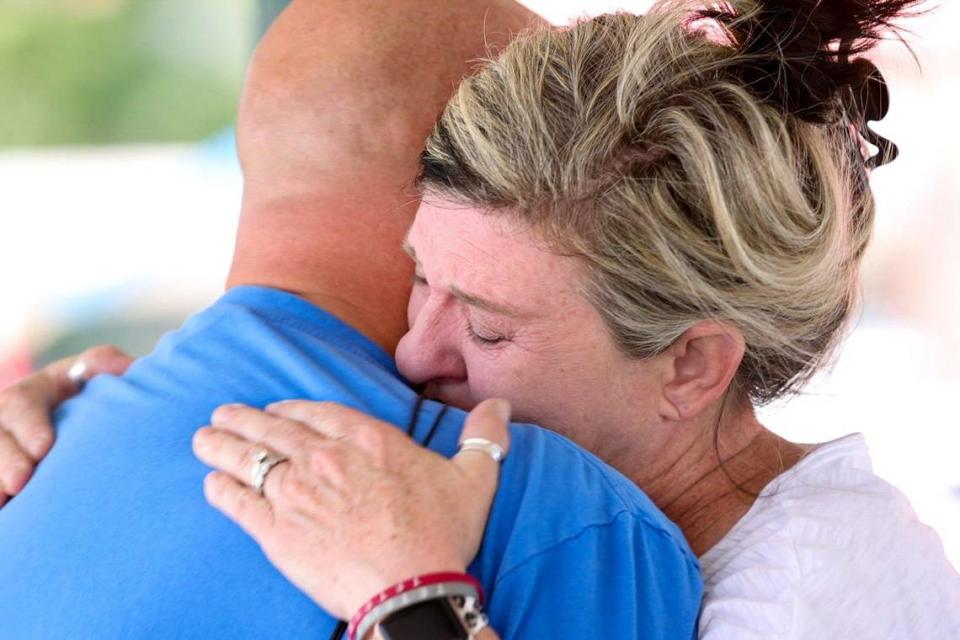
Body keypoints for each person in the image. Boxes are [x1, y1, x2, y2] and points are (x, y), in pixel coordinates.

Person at [6, 0, 960, 638]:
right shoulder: (518, 491)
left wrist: (409, 601)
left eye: (492, 330)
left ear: (692, 365)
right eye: (421, 278)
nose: (417, 353)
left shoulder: (829, 586)